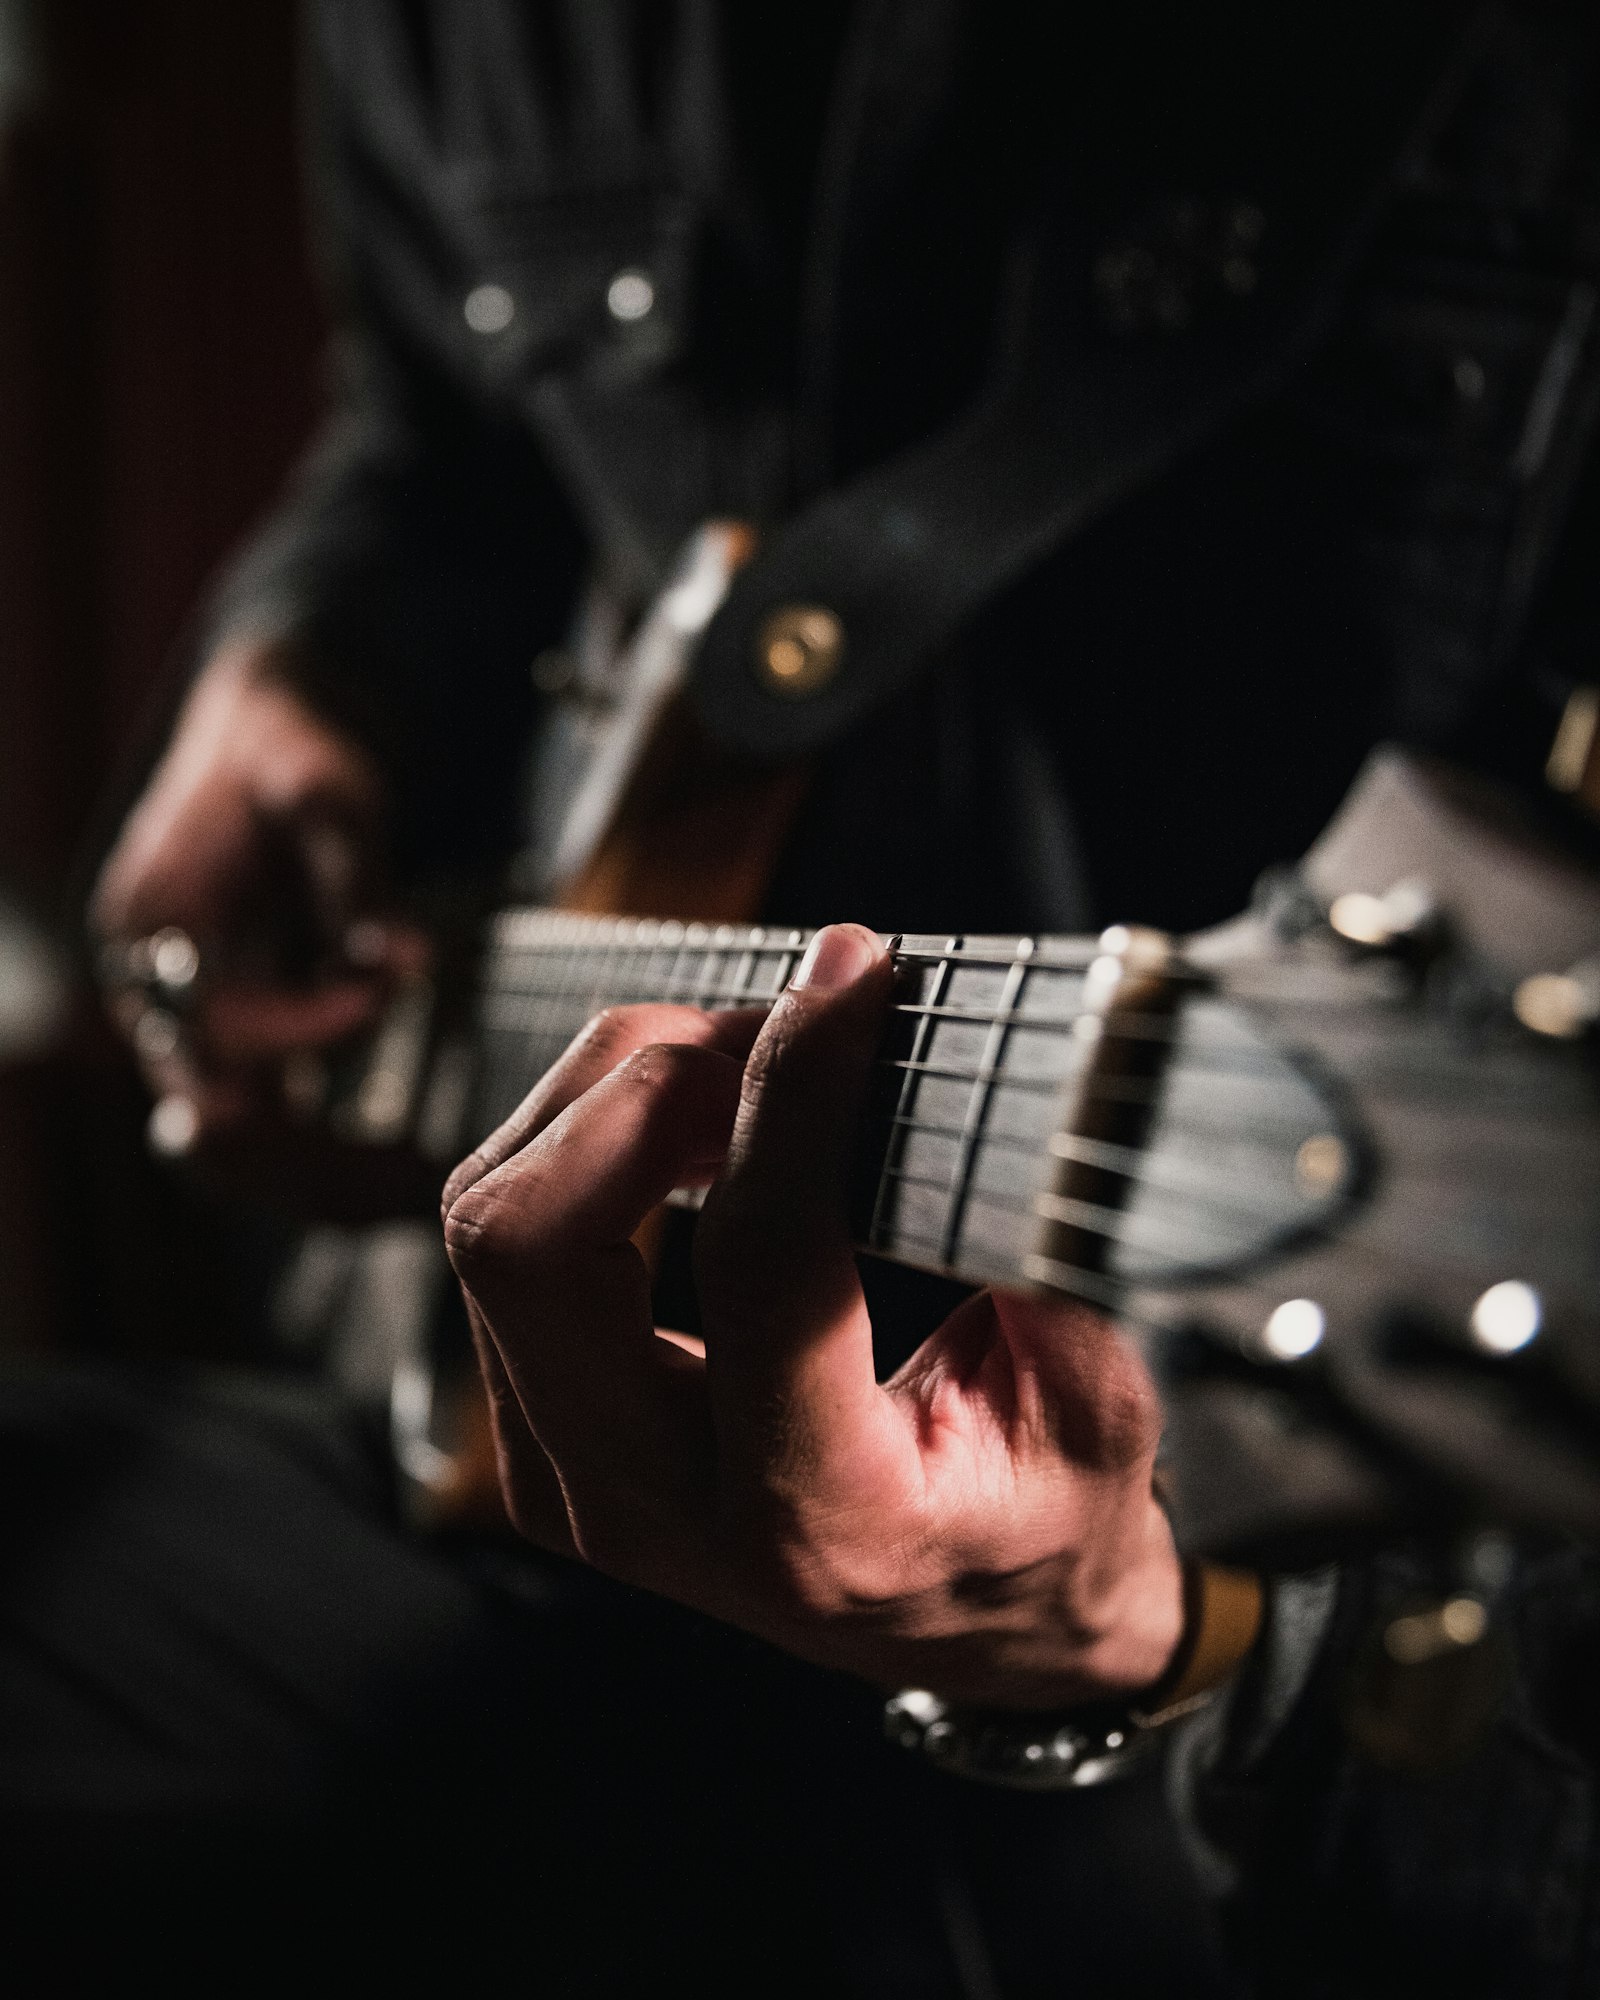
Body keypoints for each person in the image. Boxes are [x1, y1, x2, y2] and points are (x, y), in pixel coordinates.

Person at [51, 1, 1600, 1990]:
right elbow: (435, 432)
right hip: (521, 1474)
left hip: (1228, 1675)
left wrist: (1167, 1625)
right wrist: (297, 680)